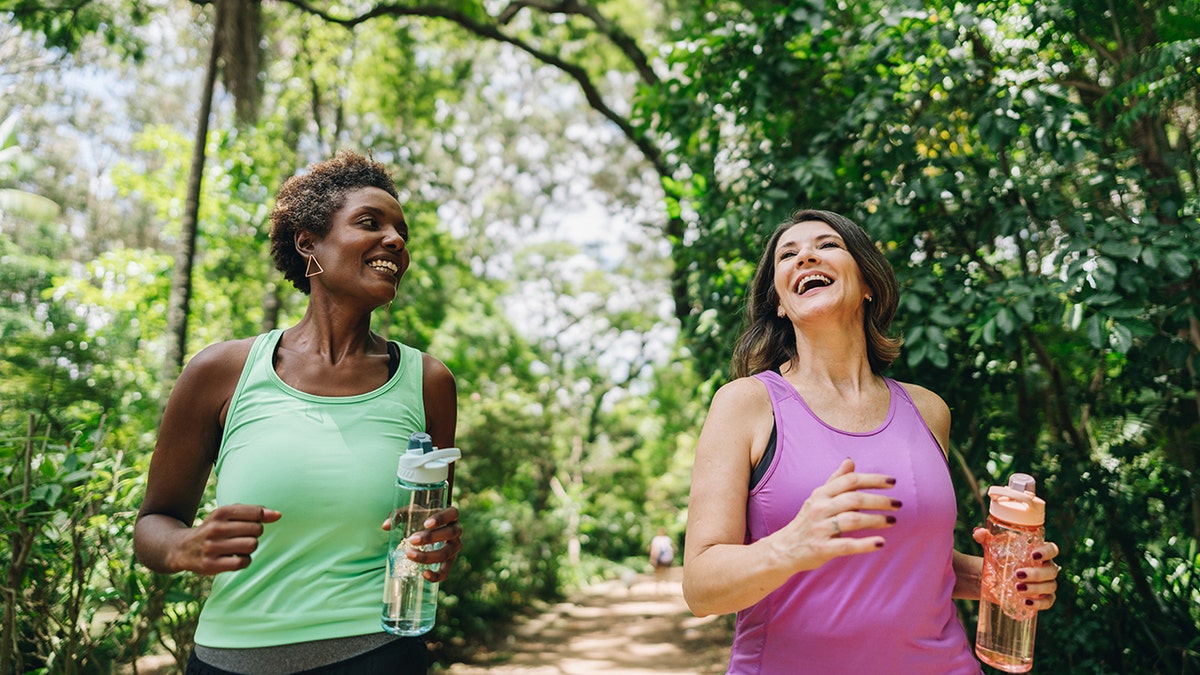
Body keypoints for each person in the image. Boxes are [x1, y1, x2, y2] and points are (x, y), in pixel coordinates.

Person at [682, 209, 1061, 674]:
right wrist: (792, 545)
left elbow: (921, 564)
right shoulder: (747, 405)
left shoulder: (928, 411)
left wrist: (1004, 576)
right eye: (788, 254)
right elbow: (701, 588)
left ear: (867, 283)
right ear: (780, 302)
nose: (805, 257)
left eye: (826, 245)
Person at [134, 150, 462, 675]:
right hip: (227, 661)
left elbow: (426, 532)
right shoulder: (220, 372)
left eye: (401, 231)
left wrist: (441, 542)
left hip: (377, 656)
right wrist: (184, 547)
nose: (396, 241)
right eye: (369, 223)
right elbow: (155, 522)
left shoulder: (427, 383)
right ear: (309, 242)